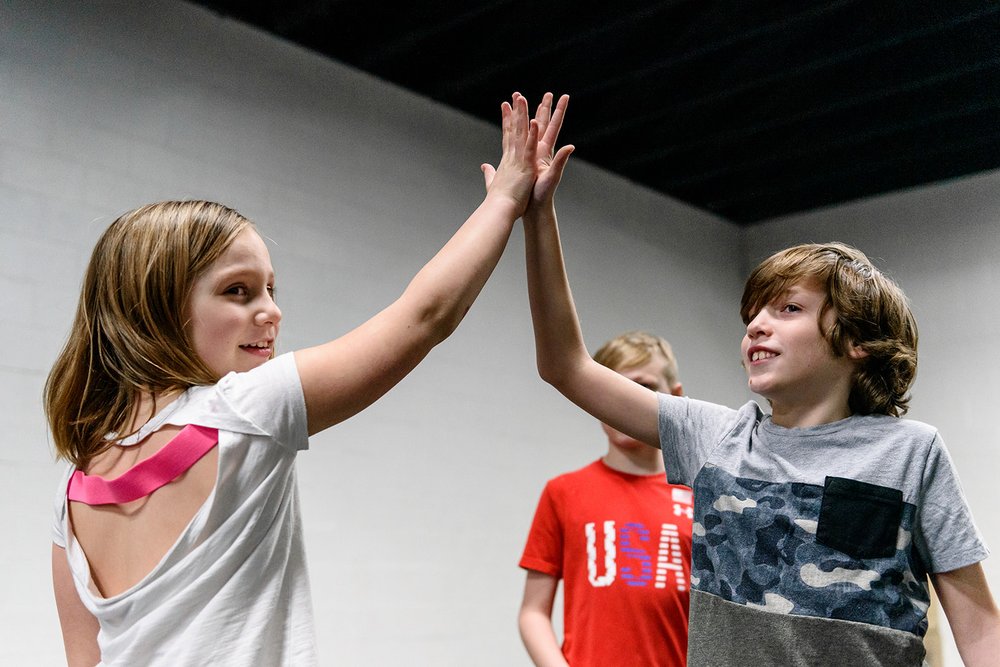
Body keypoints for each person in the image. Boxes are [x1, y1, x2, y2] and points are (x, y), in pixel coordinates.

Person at [46, 91, 573, 666]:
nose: (271, 312)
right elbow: (425, 316)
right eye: (238, 291)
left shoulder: (74, 486)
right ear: (156, 307)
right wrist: (505, 199)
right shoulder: (243, 412)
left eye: (271, 290)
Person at [519, 132, 1000, 662]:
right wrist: (538, 217)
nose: (756, 326)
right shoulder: (717, 438)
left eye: (788, 309)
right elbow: (566, 366)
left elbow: (979, 625)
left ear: (858, 340)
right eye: (753, 315)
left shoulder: (910, 452)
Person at [518, 331, 693, 666]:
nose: (626, 401)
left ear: (675, 396)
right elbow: (532, 613)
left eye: (643, 387)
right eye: (614, 387)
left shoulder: (702, 497)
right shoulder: (564, 493)